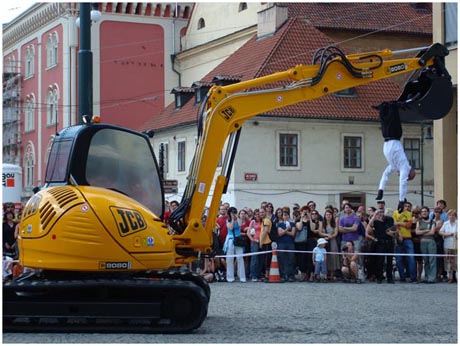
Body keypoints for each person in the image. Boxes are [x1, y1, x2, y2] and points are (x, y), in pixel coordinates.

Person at [374, 101, 416, 211]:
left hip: (393, 142)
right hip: (387, 144)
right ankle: (383, 109)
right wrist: (381, 190)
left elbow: (401, 182)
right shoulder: (399, 167)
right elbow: (387, 176)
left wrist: (401, 200)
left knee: (393, 122)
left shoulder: (401, 168)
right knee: (387, 124)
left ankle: (390, 106)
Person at [367, 208, 396, 283]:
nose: (380, 214)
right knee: (380, 260)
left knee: (389, 260)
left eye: (381, 212)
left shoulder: (390, 219)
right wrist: (374, 216)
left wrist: (392, 233)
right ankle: (379, 277)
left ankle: (389, 277)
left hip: (389, 241)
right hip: (380, 242)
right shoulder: (375, 221)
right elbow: (370, 225)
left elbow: (393, 228)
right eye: (378, 213)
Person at [393, 201, 416, 283]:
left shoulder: (409, 213)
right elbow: (394, 225)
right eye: (405, 206)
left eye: (407, 206)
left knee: (411, 258)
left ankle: (412, 277)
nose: (406, 207)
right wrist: (399, 233)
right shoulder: (395, 213)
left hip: (408, 238)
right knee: (399, 259)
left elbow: (409, 225)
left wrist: (399, 223)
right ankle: (402, 277)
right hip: (399, 238)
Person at [224, 206, 246, 283]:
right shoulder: (228, 220)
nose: (233, 214)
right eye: (232, 212)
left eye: (235, 212)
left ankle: (242, 277)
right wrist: (232, 220)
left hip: (238, 239)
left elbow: (240, 225)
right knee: (229, 259)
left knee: (240, 257)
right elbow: (230, 228)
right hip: (230, 240)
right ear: (229, 213)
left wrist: (237, 218)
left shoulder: (239, 220)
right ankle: (230, 277)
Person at [416, 206, 437, 283]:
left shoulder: (432, 222)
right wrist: (426, 230)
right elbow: (417, 232)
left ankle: (432, 277)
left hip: (431, 242)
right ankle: (426, 276)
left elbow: (432, 232)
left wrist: (422, 231)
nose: (424, 213)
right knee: (426, 260)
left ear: (428, 212)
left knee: (432, 259)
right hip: (423, 242)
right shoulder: (419, 221)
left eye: (425, 211)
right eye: (422, 212)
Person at [276, 209, 296, 282]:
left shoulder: (292, 224)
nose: (286, 216)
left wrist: (284, 231)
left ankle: (290, 275)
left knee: (291, 259)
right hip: (281, 243)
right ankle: (282, 275)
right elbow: (280, 234)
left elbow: (293, 234)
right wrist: (287, 229)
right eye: (284, 215)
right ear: (282, 216)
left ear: (289, 216)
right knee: (281, 259)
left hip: (290, 243)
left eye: (287, 215)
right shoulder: (280, 224)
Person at [320, 208, 340, 281]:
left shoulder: (334, 223)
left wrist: (331, 236)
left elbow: (336, 233)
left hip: (332, 241)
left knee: (333, 257)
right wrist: (327, 235)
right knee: (325, 257)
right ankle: (325, 274)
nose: (328, 216)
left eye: (329, 214)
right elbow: (320, 232)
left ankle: (332, 274)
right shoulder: (322, 223)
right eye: (327, 215)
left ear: (332, 215)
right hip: (324, 241)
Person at [439, 209, 457, 283]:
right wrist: (448, 234)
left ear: (455, 216)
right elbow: (440, 232)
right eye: (450, 215)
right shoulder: (446, 223)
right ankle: (450, 276)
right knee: (448, 261)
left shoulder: (458, 223)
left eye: (453, 215)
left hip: (456, 244)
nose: (451, 217)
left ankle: (456, 276)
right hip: (447, 244)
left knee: (455, 261)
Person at [247, 209, 263, 282]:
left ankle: (259, 274)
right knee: (254, 259)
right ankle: (253, 275)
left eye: (259, 214)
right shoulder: (252, 222)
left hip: (262, 241)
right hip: (255, 241)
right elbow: (248, 233)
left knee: (260, 259)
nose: (258, 216)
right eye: (256, 214)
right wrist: (253, 239)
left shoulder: (263, 222)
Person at [259, 207, 272, 281]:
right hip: (264, 242)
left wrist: (261, 242)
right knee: (264, 259)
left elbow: (265, 231)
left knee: (267, 259)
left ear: (266, 212)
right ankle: (265, 274)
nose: (261, 214)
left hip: (266, 242)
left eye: (262, 212)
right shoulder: (263, 220)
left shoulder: (266, 220)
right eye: (260, 212)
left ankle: (267, 275)